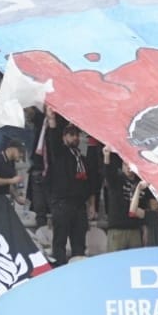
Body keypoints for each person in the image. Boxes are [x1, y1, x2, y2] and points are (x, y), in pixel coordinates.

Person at [43, 110, 94, 264]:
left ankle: (78, 273)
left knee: (79, 244)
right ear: (64, 137)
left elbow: (91, 184)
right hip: (62, 204)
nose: (75, 137)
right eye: (71, 134)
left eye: (77, 134)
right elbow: (53, 142)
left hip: (79, 207)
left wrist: (92, 205)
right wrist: (52, 120)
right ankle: (59, 271)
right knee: (60, 242)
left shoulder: (82, 160)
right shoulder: (60, 154)